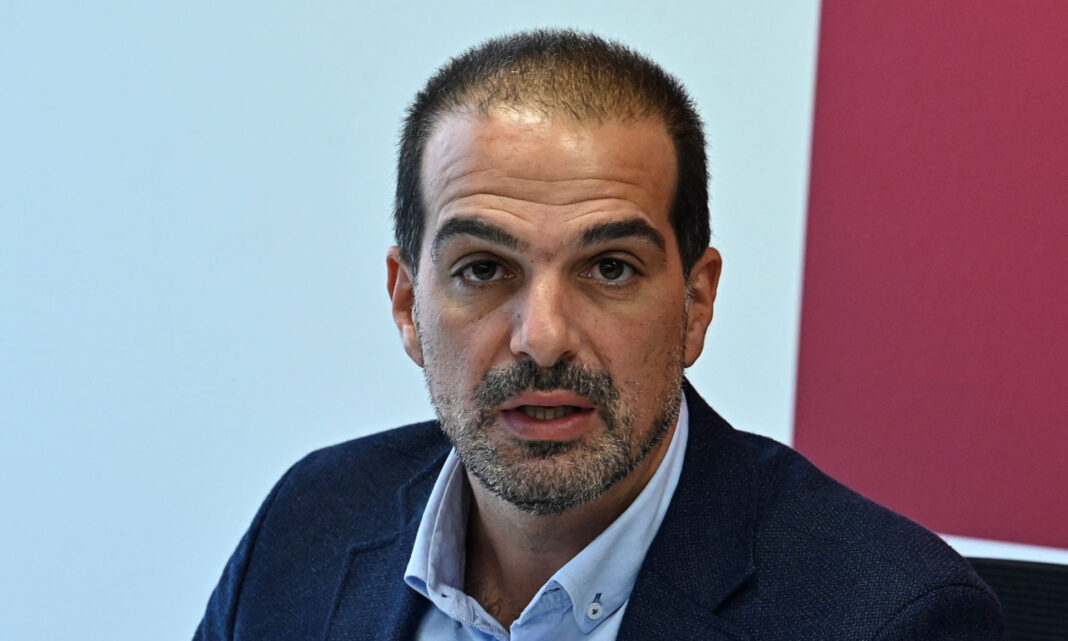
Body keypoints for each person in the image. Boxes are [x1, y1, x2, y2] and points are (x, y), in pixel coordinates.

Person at [195, 30, 1005, 640]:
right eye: (484, 268)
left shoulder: (890, 618)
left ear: (695, 303)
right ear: (408, 304)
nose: (543, 338)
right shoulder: (307, 525)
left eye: (610, 268)